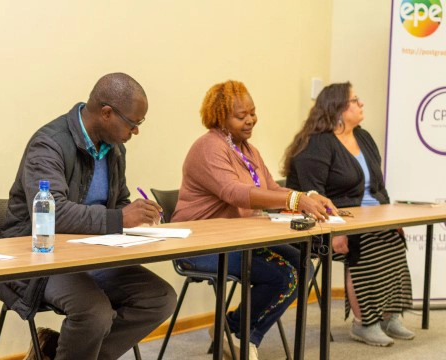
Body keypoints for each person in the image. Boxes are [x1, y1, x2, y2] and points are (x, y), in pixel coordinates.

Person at [0, 73, 177, 360]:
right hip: (39, 257)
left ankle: (59, 352)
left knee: (159, 298)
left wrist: (139, 219)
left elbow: (119, 203)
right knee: (94, 312)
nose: (136, 132)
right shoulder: (49, 144)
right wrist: (120, 219)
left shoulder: (115, 150)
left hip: (90, 255)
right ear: (106, 113)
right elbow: (53, 213)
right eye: (133, 123)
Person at [172, 80, 337, 360]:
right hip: (202, 245)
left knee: (303, 267)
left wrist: (308, 195)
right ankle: (238, 334)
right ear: (219, 117)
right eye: (241, 116)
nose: (250, 120)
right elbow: (234, 193)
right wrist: (295, 201)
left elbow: (271, 188)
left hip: (240, 238)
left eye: (253, 112)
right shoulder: (208, 148)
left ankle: (233, 329)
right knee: (284, 276)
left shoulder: (247, 149)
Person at [282, 82, 414, 347]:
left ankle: (389, 315)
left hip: (370, 216)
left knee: (392, 238)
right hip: (326, 223)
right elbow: (312, 195)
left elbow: (378, 186)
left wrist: (392, 220)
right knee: (366, 240)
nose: (361, 103)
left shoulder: (363, 137)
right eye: (355, 100)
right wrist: (336, 230)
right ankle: (364, 322)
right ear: (338, 109)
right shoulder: (317, 144)